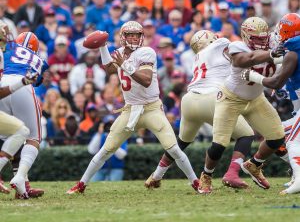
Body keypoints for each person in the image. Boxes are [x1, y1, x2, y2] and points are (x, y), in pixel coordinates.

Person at [67, 21, 201, 194]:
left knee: (173, 147)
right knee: (107, 149)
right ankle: (81, 184)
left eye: (136, 35)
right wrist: (103, 47)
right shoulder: (120, 53)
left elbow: (145, 80)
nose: (133, 38)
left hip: (151, 108)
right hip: (130, 109)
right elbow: (109, 69)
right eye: (129, 35)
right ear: (123, 37)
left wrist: (125, 64)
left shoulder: (147, 52)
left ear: (141, 37)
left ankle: (196, 182)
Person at [145, 30, 254, 190]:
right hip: (212, 98)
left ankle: (156, 176)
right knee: (246, 135)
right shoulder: (220, 44)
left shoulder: (197, 56)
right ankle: (227, 174)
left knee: (181, 142)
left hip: (189, 100)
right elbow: (240, 48)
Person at [197, 17, 285, 194]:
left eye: (263, 37)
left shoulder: (274, 44)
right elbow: (247, 59)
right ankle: (206, 176)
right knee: (219, 144)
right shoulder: (237, 47)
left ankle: (254, 164)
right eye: (256, 38)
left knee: (276, 137)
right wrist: (272, 54)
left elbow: (284, 63)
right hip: (230, 98)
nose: (261, 41)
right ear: (245, 36)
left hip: (256, 99)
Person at [241, 13, 300, 194]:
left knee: (292, 141)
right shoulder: (292, 50)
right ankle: (256, 164)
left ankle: (299, 179)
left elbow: (276, 82)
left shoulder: (293, 50)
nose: (277, 33)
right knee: (281, 132)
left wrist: (253, 76)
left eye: (281, 29)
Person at [0, 31, 49, 199]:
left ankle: (24, 187)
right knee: (33, 138)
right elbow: (38, 80)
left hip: (2, 86)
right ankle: (20, 178)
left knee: (13, 136)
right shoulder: (40, 60)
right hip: (22, 85)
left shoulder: (6, 48)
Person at [88, 115, 128, 181]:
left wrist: (112, 142)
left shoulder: (121, 135)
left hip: (116, 168)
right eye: (108, 125)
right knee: (92, 184)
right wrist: (99, 134)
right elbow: (91, 150)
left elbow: (122, 155)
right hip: (99, 168)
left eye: (112, 124)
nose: (110, 127)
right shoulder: (99, 135)